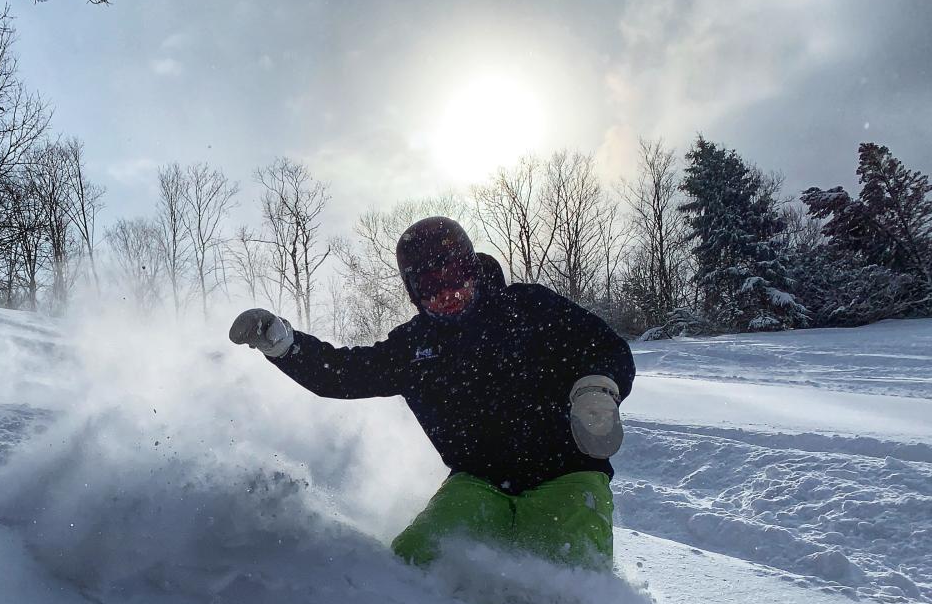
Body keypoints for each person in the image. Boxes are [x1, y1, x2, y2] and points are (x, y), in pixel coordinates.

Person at [228, 216, 635, 570]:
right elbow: (342, 374)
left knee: (568, 578)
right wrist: (283, 344)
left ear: (472, 268)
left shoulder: (526, 307)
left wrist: (596, 390)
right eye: (430, 283)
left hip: (568, 475)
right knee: (413, 564)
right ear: (413, 292)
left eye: (455, 272)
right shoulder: (414, 348)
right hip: (478, 484)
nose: (448, 291)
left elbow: (604, 346)